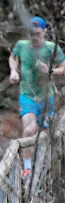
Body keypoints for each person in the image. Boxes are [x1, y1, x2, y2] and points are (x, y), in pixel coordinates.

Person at [9, 16, 65, 177]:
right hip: (27, 97)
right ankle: (27, 169)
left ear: (44, 31)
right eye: (30, 33)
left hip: (47, 98)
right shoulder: (21, 46)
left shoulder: (51, 48)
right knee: (29, 129)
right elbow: (12, 57)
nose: (33, 37)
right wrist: (13, 71)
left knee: (47, 135)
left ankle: (45, 170)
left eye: (37, 33)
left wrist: (50, 71)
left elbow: (63, 67)